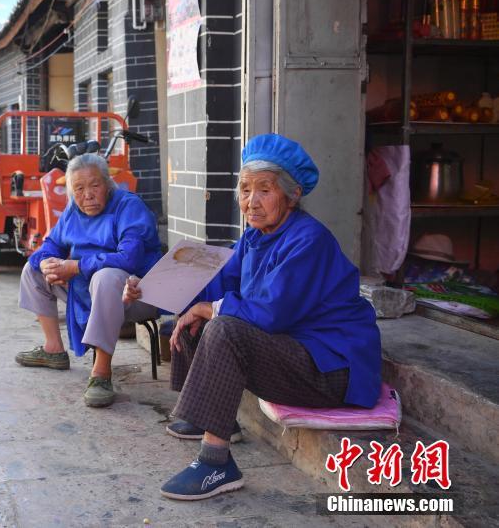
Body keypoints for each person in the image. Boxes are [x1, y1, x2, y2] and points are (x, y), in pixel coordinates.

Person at [124, 133, 381, 501]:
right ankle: (214, 418)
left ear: (292, 196)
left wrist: (212, 309)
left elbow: (271, 313)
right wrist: (147, 287)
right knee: (197, 318)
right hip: (298, 350)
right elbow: (217, 285)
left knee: (225, 327)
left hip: (332, 369)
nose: (251, 202)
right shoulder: (255, 237)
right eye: (244, 189)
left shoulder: (309, 240)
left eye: (264, 190)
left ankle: (216, 463)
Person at [16, 153, 162, 408]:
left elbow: (128, 258)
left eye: (94, 185)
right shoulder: (74, 210)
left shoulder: (129, 207)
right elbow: (50, 244)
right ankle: (53, 349)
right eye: (79, 188)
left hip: (136, 294)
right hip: (86, 288)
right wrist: (46, 262)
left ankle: (102, 373)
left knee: (106, 277)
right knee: (33, 269)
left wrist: (76, 266)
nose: (88, 194)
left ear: (108, 184)